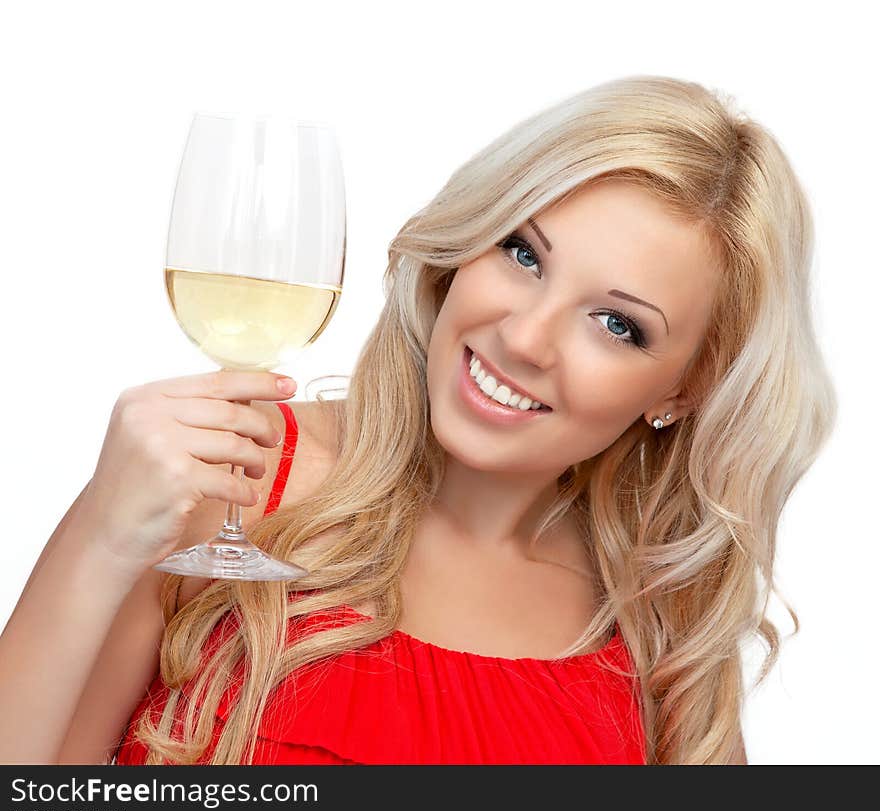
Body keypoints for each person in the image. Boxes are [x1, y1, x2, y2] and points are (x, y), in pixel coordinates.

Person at [0, 74, 836, 766]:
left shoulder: (658, 620)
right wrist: (105, 535)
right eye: (523, 252)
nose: (523, 337)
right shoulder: (228, 485)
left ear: (684, 390)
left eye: (617, 324)